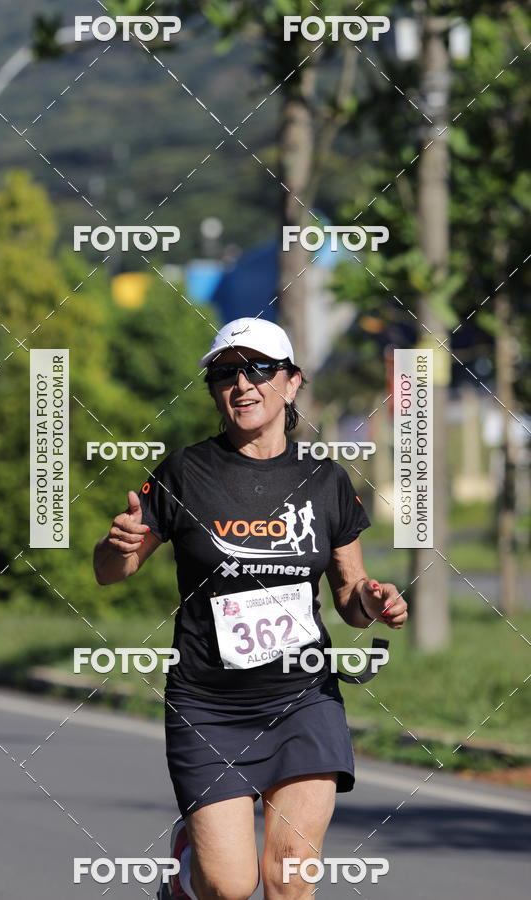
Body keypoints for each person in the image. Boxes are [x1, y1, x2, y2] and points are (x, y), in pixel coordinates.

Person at [93, 317, 407, 900]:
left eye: (260, 369)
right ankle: (187, 875)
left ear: (291, 384)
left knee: (289, 874)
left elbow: (349, 595)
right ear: (215, 389)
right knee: (230, 886)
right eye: (225, 373)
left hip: (303, 698)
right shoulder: (185, 472)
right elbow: (112, 573)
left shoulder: (326, 481)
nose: (243, 384)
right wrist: (117, 549)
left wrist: (374, 599)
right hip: (209, 704)